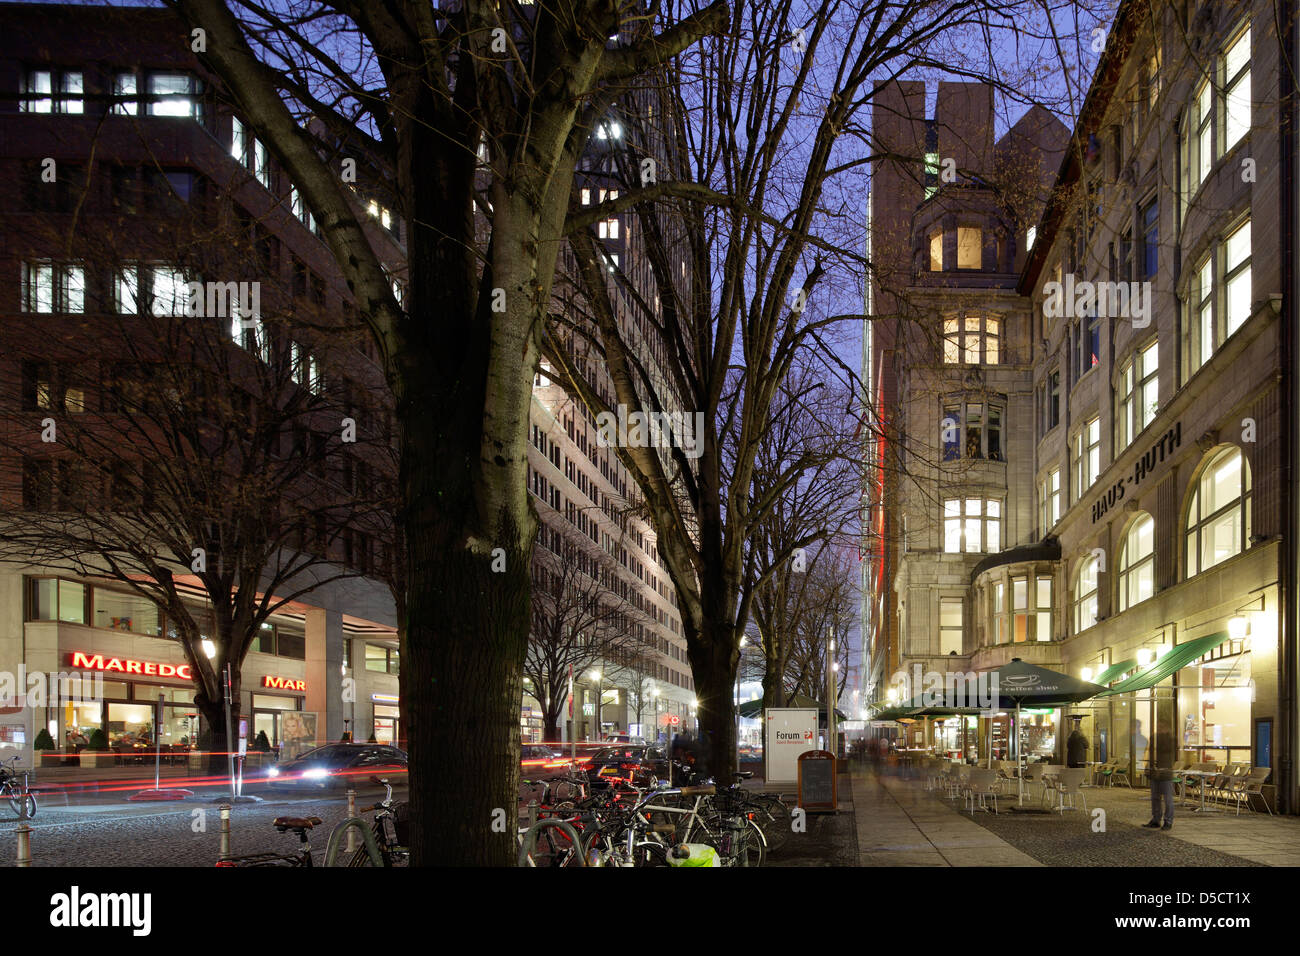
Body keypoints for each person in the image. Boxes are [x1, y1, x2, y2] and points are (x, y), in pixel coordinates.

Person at [1145, 726, 1176, 830]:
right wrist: (1148, 766)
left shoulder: (1171, 740)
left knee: (1168, 799)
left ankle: (1168, 821)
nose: (1159, 729)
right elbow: (1150, 753)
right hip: (1155, 771)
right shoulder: (1154, 738)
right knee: (1155, 797)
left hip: (1165, 771)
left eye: (1161, 726)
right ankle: (1156, 819)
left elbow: (1170, 754)